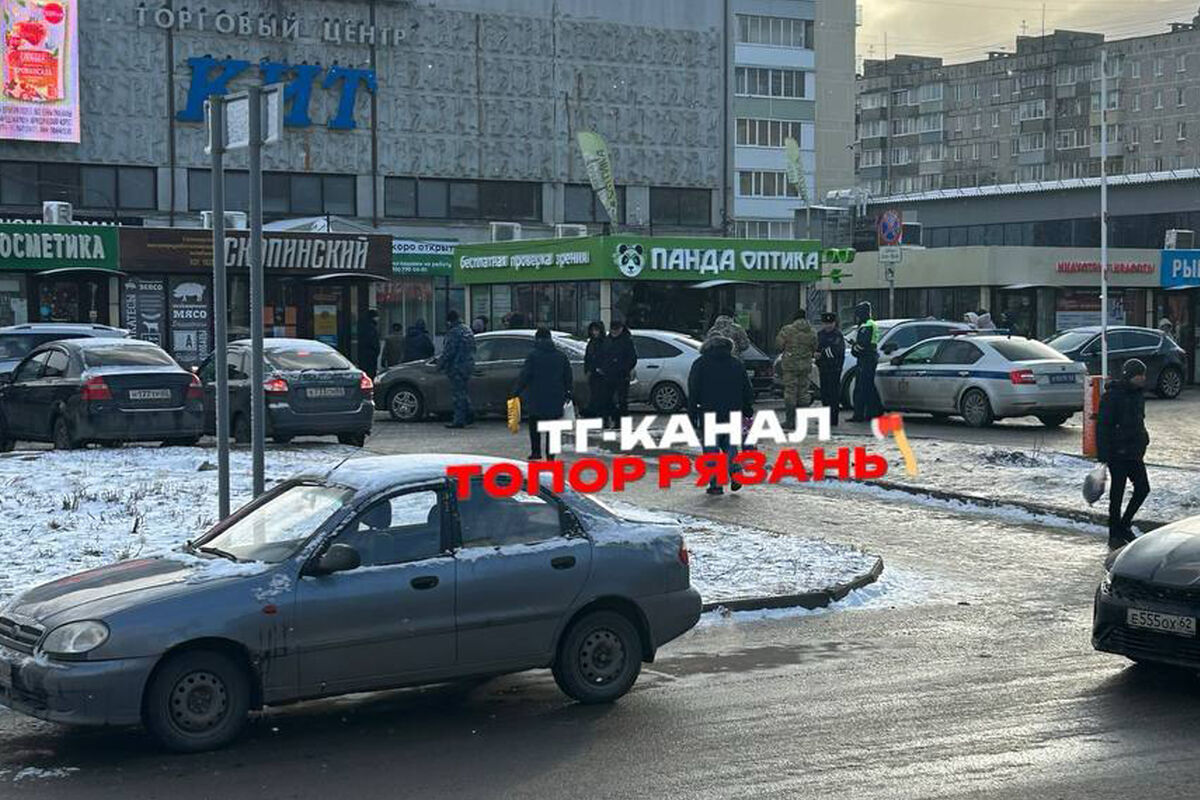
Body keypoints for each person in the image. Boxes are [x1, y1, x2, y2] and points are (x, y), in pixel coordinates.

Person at [688, 335, 755, 496]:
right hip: (733, 412)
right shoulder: (736, 364)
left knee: (711, 450)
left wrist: (692, 413)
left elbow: (693, 390)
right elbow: (747, 388)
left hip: (709, 413)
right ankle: (736, 473)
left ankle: (716, 484)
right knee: (730, 446)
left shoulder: (700, 364)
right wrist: (747, 409)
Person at [1097, 358, 1151, 549]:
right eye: (1139, 375)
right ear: (1129, 376)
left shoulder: (1138, 395)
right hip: (1117, 453)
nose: (1142, 378)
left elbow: (1139, 420)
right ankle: (1115, 534)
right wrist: (1103, 456)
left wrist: (1144, 438)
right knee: (1117, 494)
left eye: (1143, 375)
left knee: (1143, 488)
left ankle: (1124, 524)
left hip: (1134, 452)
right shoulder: (1112, 396)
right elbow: (1103, 427)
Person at [511, 327, 573, 460]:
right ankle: (551, 456)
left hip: (536, 396)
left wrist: (516, 392)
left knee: (534, 424)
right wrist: (568, 392)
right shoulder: (561, 356)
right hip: (556, 396)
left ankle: (536, 451)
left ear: (537, 339)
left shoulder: (533, 356)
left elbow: (525, 376)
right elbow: (568, 376)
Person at [775, 309, 818, 427]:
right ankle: (802, 422)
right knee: (803, 392)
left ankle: (790, 421)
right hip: (805, 365)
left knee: (790, 392)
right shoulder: (812, 331)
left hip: (790, 366)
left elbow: (778, 345)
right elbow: (815, 347)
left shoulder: (787, 330)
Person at [437, 309, 476, 428]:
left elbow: (449, 351)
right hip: (467, 366)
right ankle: (468, 414)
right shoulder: (467, 330)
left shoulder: (454, 332)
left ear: (449, 321)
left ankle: (459, 420)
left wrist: (440, 365)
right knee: (463, 391)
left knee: (458, 394)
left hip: (456, 367)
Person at [849, 301, 883, 422]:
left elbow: (862, 345)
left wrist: (854, 348)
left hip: (866, 359)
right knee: (868, 387)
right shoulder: (870, 324)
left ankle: (860, 414)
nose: (857, 317)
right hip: (869, 358)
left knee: (861, 387)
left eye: (858, 314)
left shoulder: (867, 325)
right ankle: (872, 412)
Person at [600, 319, 637, 427]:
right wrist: (603, 367)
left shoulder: (626, 341)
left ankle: (621, 422)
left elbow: (632, 358)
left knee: (622, 400)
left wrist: (625, 368)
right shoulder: (607, 340)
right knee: (606, 399)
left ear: (621, 329)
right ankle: (612, 418)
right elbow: (603, 355)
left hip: (622, 375)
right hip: (608, 374)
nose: (615, 332)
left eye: (617, 329)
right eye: (613, 329)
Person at [816, 311, 846, 427]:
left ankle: (833, 419)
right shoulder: (820, 334)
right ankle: (825, 417)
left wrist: (822, 353)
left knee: (833, 395)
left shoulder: (837, 335)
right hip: (823, 368)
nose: (828, 325)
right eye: (825, 323)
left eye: (830, 323)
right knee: (824, 395)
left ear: (834, 323)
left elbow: (836, 352)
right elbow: (816, 348)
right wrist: (816, 354)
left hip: (834, 368)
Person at [583, 320, 609, 419]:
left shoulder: (605, 343)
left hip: (602, 374)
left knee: (602, 396)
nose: (594, 332)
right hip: (593, 373)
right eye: (593, 330)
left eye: (596, 330)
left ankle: (602, 416)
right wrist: (587, 369)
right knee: (594, 394)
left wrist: (603, 368)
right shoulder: (591, 343)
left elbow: (607, 357)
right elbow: (587, 358)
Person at [356, 309, 381, 376]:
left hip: (364, 355)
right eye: (377, 316)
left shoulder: (363, 326)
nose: (378, 318)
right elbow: (373, 342)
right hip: (370, 355)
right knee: (370, 372)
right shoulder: (371, 328)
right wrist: (376, 351)